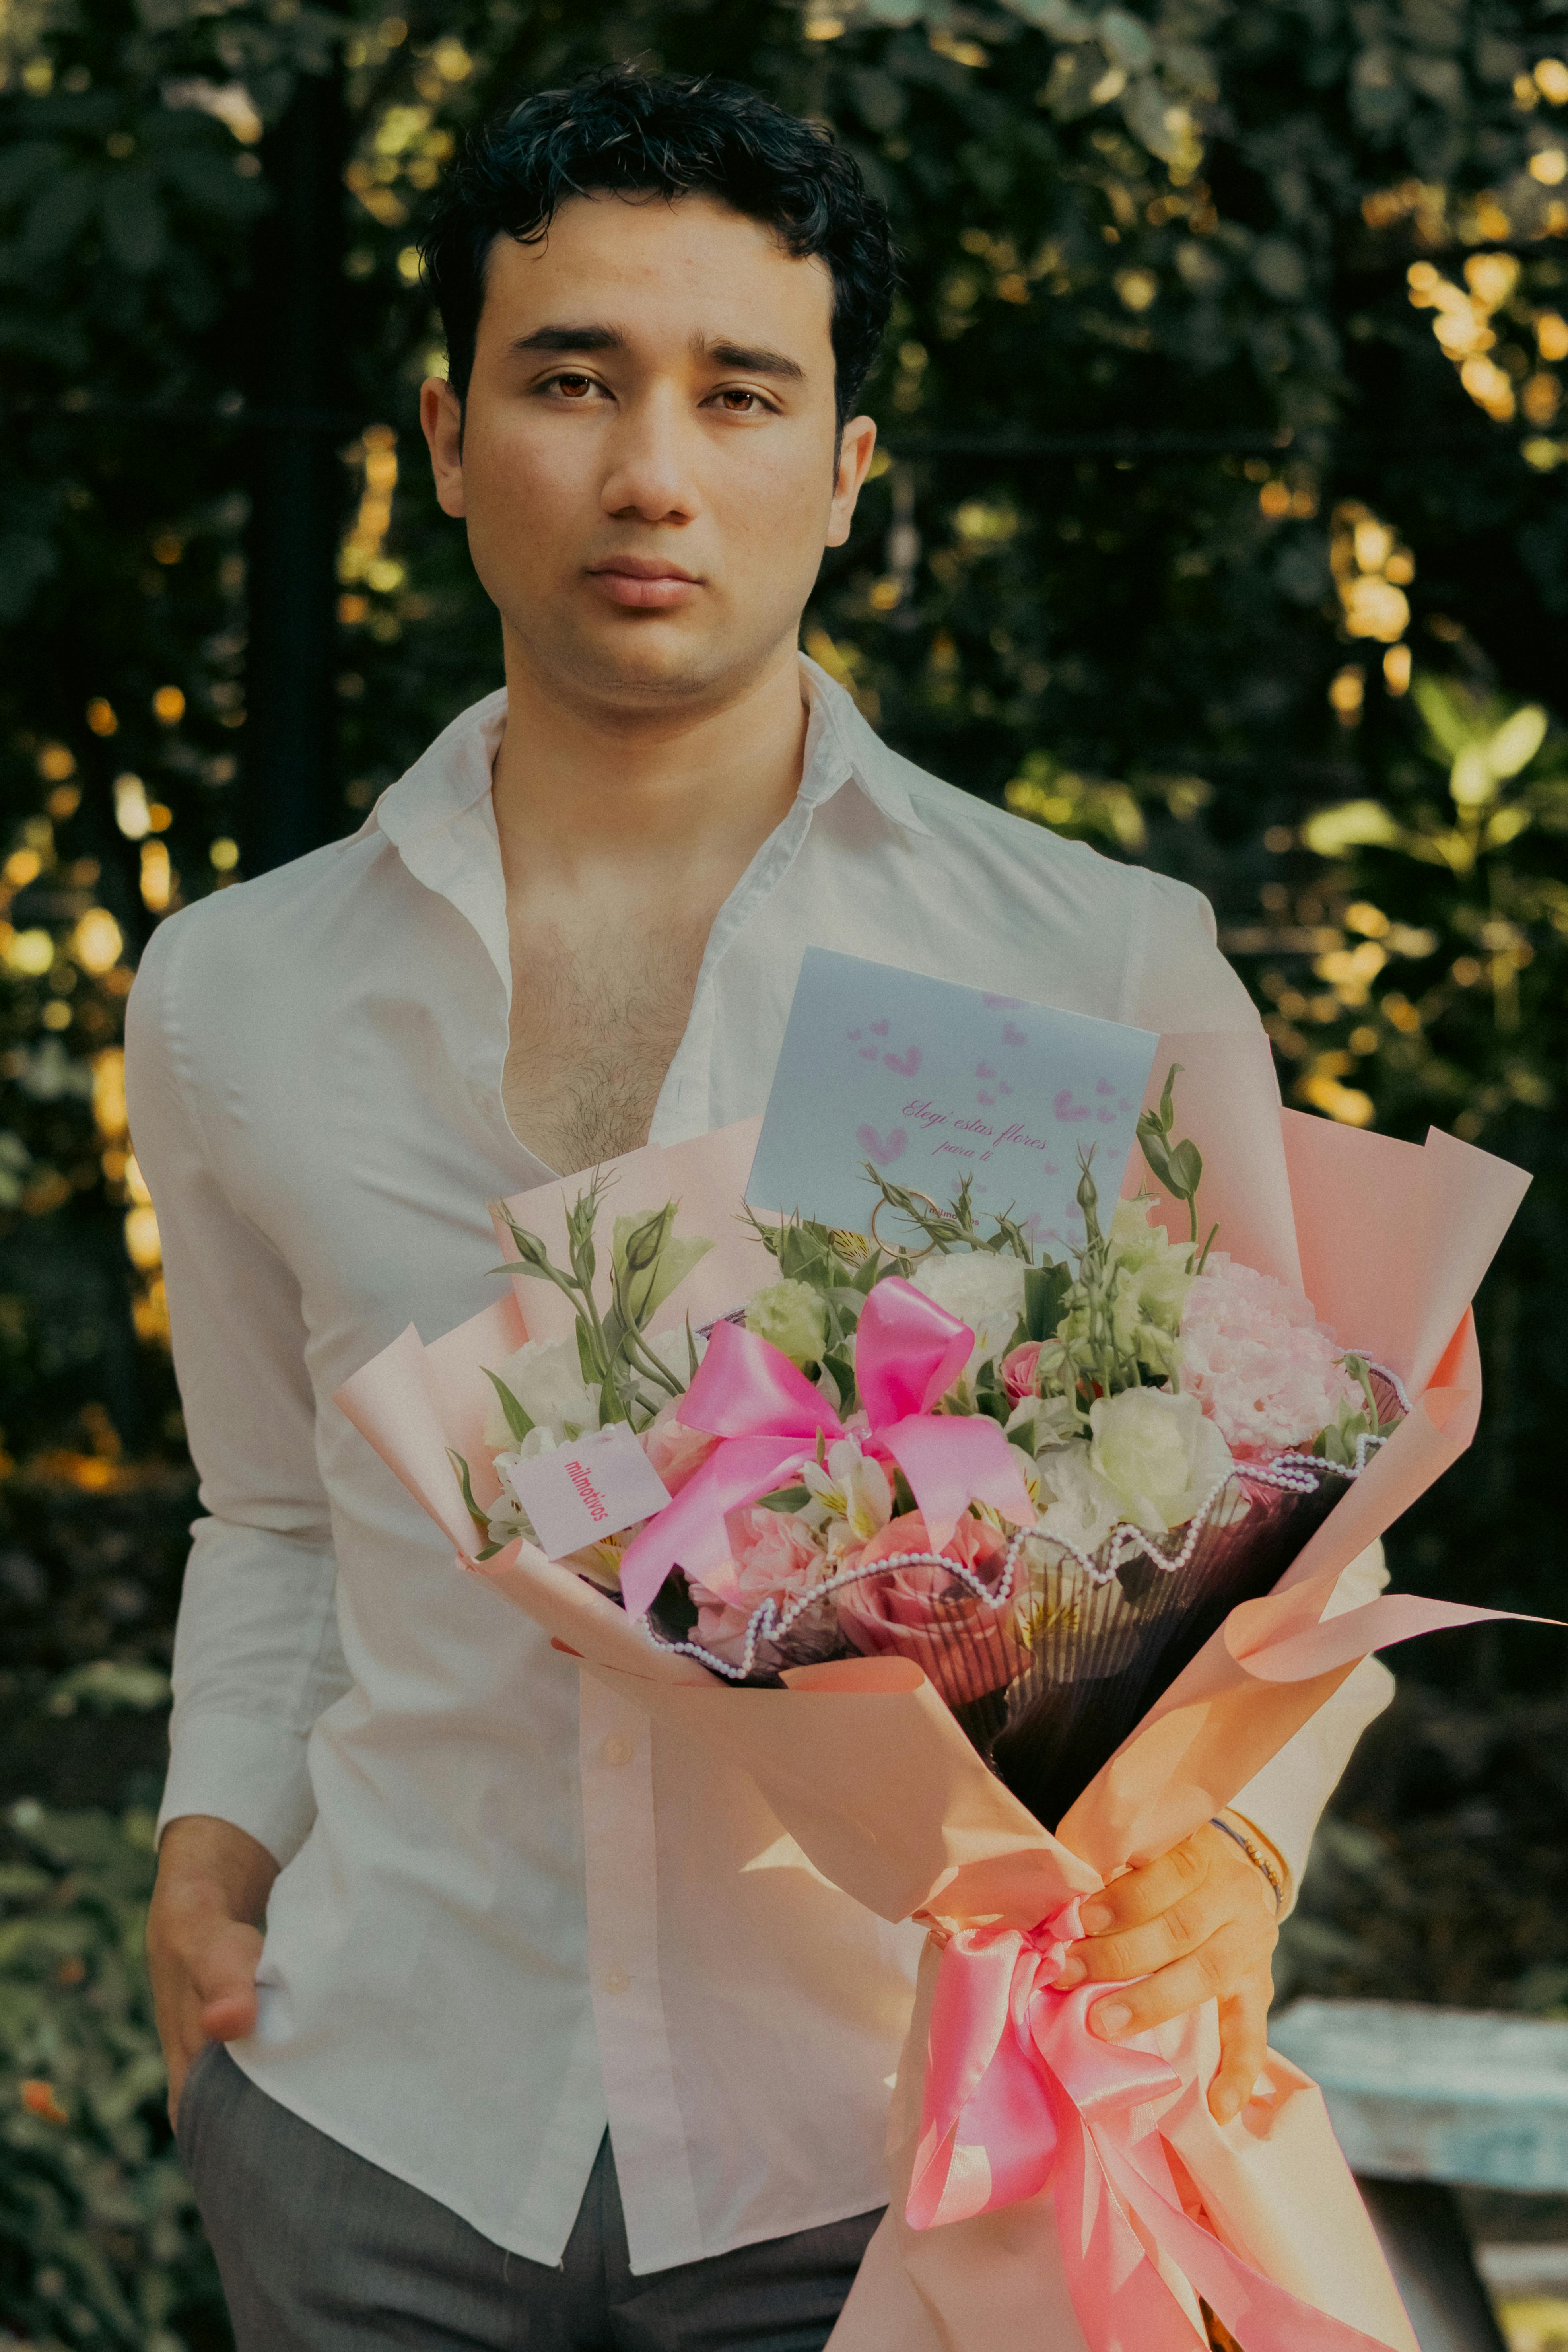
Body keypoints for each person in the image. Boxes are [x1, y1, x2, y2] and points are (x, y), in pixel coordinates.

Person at [128, 66, 1392, 2352]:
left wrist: (1232, 1851)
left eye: (738, 393)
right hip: (373, 2114)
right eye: (571, 380)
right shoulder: (239, 992)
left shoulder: (1077, 963)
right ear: (444, 439)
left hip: (885, 2135)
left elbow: (1300, 1532)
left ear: (847, 468)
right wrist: (209, 1838)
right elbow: (277, 1510)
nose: (651, 471)